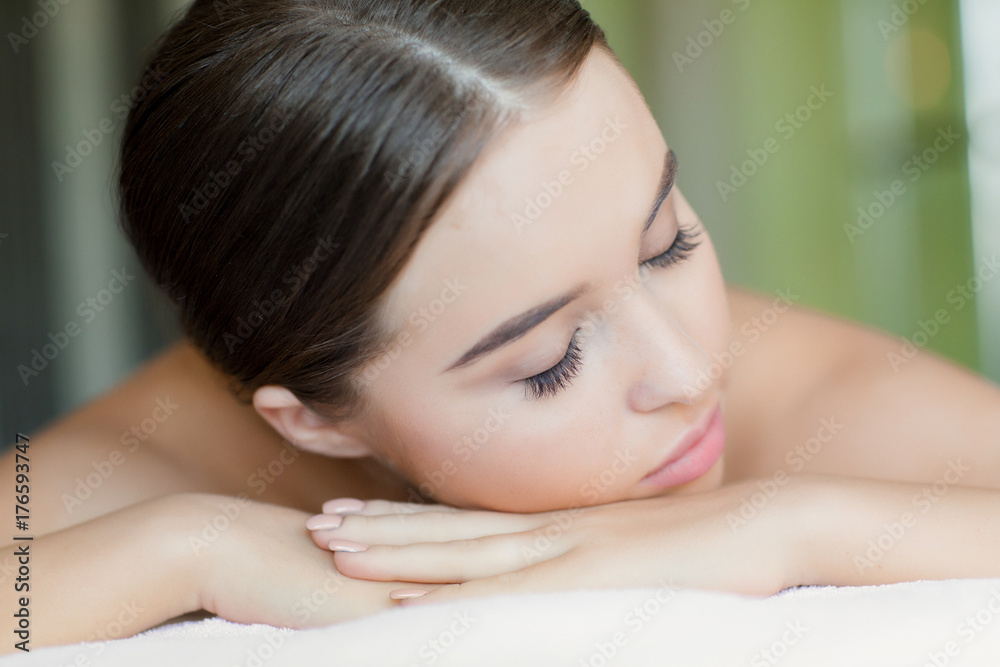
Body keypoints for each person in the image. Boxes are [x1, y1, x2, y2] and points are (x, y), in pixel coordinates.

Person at [4, 0, 1000, 653]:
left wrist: (789, 525)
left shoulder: (813, 406)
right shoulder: (161, 459)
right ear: (314, 420)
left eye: (665, 243)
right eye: (550, 359)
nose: (692, 367)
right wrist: (194, 547)